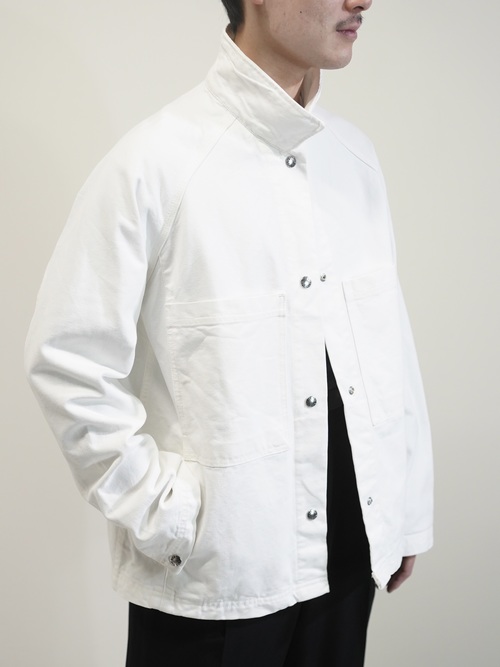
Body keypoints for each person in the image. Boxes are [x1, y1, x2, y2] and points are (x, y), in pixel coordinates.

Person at [25, 1, 433, 665]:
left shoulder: (354, 157)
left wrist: (404, 504)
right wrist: (172, 517)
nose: (362, 0)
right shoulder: (153, 164)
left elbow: (389, 340)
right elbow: (66, 359)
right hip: (216, 579)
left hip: (350, 558)